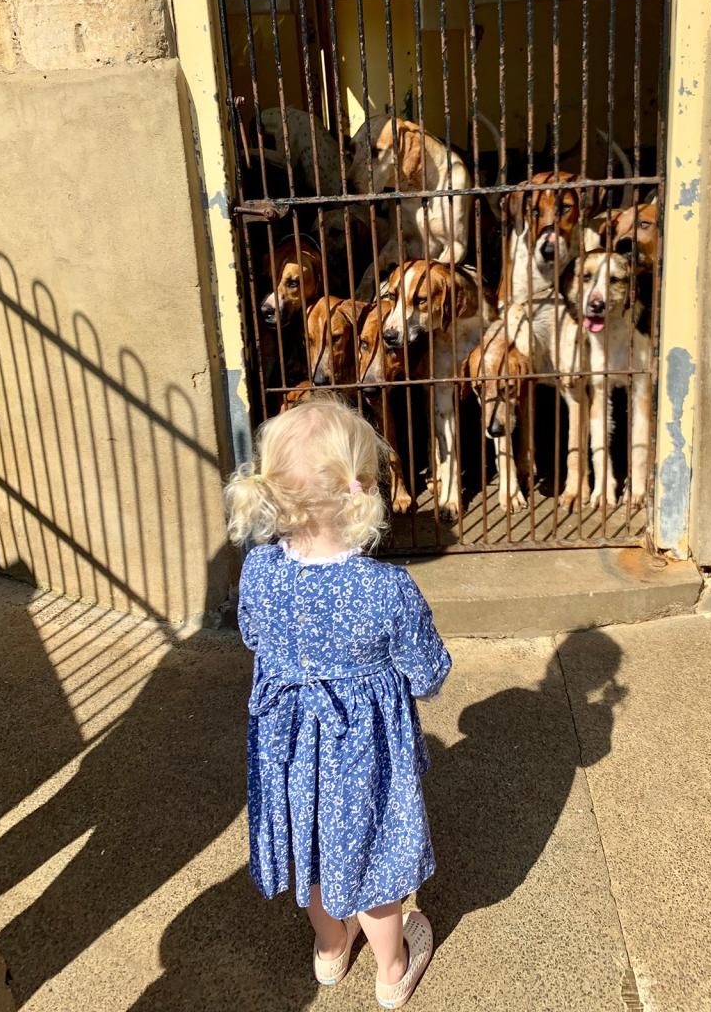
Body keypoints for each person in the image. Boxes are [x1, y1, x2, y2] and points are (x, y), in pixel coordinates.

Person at [225, 396, 451, 1009]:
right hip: (362, 754)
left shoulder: (258, 572)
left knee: (317, 848)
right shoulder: (386, 589)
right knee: (371, 851)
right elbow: (428, 671)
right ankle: (392, 966)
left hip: (288, 750)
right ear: (364, 488)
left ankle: (329, 954)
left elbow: (251, 635)